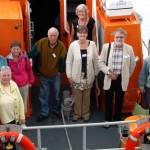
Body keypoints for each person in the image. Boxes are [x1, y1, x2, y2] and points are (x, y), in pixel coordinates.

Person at [27, 27, 67, 122]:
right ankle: (44, 113)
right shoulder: (41, 42)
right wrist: (23, 55)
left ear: (57, 36)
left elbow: (63, 61)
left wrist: (60, 71)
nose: (52, 37)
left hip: (55, 75)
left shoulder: (61, 46)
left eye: (54, 35)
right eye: (51, 35)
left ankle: (56, 110)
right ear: (48, 35)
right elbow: (32, 53)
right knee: (43, 95)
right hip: (44, 75)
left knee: (57, 95)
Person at [99, 28, 136, 128]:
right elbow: (100, 62)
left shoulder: (129, 48)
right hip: (109, 77)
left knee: (120, 100)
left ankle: (117, 119)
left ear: (124, 38)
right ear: (114, 37)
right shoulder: (107, 47)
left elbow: (132, 64)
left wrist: (127, 76)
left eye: (121, 37)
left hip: (121, 79)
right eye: (117, 37)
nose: (119, 39)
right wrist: (108, 72)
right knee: (108, 99)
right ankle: (108, 120)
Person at [66, 25, 99, 122]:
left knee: (86, 96)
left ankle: (85, 114)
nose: (82, 34)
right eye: (80, 32)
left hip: (89, 76)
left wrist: (96, 74)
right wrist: (69, 75)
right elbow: (69, 62)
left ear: (87, 34)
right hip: (76, 76)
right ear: (77, 34)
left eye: (84, 32)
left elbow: (96, 60)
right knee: (77, 96)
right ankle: (76, 114)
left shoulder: (92, 44)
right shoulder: (73, 45)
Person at [6, 40, 35, 113]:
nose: (15, 50)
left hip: (24, 83)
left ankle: (22, 120)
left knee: (23, 102)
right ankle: (15, 120)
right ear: (10, 49)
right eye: (14, 48)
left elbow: (29, 69)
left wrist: (31, 81)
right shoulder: (7, 59)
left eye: (17, 49)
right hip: (12, 85)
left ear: (20, 49)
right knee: (13, 103)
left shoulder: (25, 57)